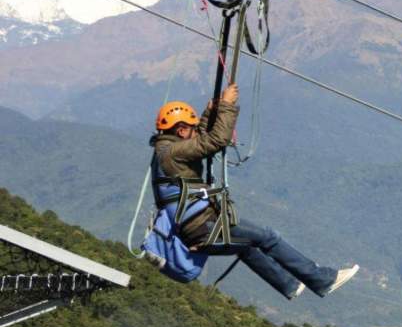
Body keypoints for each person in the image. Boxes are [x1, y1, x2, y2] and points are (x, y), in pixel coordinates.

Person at [150, 83, 358, 299]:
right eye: (191, 128)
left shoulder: (166, 151)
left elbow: (199, 141)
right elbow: (213, 141)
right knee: (268, 237)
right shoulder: (172, 153)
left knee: (247, 245)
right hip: (204, 226)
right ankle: (322, 279)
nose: (194, 131)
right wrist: (228, 106)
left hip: (198, 228)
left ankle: (289, 284)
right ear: (182, 130)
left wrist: (210, 112)